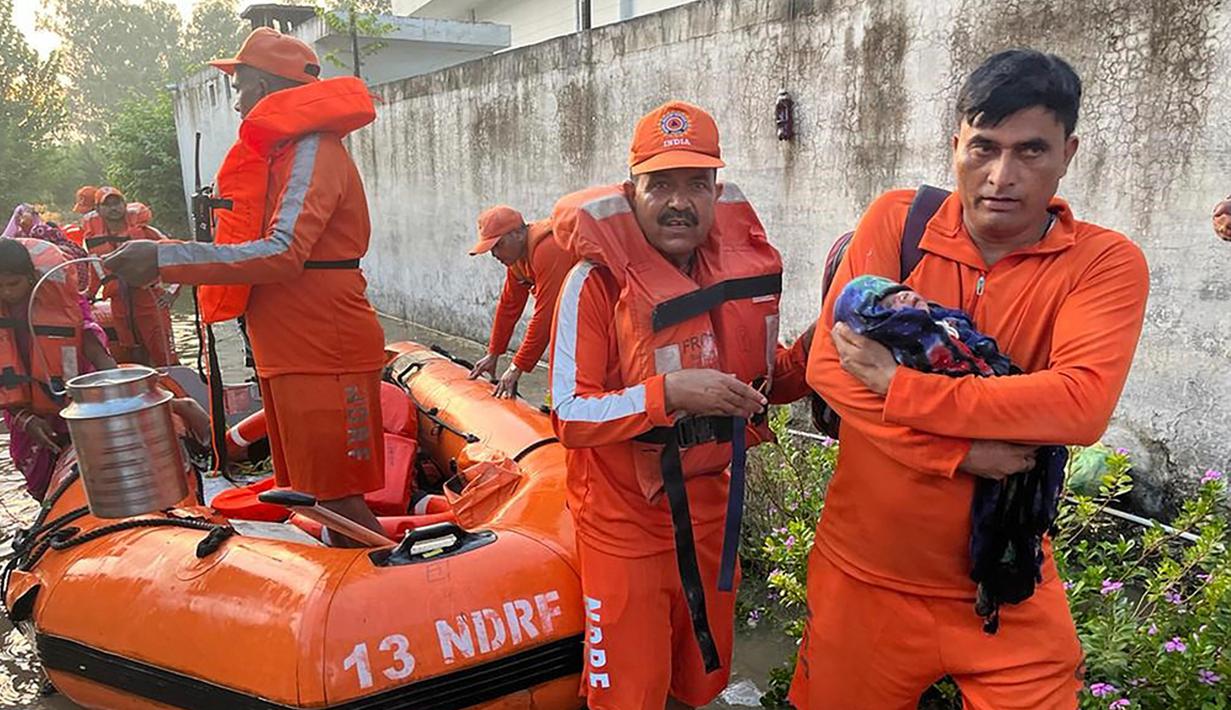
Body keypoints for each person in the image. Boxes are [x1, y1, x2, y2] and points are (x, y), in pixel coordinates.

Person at [789, 50, 1150, 710]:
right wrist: (957, 452)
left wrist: (898, 387)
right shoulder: (897, 224)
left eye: (1030, 150)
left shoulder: (1103, 263)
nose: (1000, 176)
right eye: (982, 147)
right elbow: (828, 371)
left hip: (1004, 585)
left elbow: (1077, 404)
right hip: (863, 581)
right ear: (955, 143)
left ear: (1067, 153)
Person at [549, 100, 811, 709]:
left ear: (716, 192)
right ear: (631, 189)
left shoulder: (734, 274)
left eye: (696, 183)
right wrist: (668, 395)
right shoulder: (594, 284)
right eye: (660, 183)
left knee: (702, 676)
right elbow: (566, 413)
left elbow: (764, 386)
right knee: (628, 691)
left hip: (711, 513)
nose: (678, 201)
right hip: (623, 523)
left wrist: (830, 345)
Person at [102, 27, 387, 547]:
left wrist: (165, 260)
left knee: (339, 501)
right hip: (291, 348)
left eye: (239, 86)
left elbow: (283, 251)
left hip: (325, 348)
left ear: (264, 86)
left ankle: (393, 606)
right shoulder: (284, 156)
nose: (235, 101)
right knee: (314, 494)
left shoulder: (314, 150)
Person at [0, 238, 115, 500]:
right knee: (38, 479)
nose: (6, 292)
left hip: (73, 398)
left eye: (12, 284)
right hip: (22, 410)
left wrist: (118, 389)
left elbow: (93, 347)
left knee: (95, 474)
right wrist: (24, 420)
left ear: (30, 277)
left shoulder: (63, 301)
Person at [467, 206, 576, 399]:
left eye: (498, 245)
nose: (494, 255)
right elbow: (509, 306)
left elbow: (546, 316)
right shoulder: (517, 259)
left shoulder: (548, 248)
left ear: (517, 234)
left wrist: (516, 368)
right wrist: (493, 353)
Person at [80, 187, 179, 366]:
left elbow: (177, 257)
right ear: (98, 209)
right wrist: (86, 297)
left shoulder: (146, 232)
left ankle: (176, 390)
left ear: (124, 205)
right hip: (119, 306)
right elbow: (96, 272)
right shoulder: (94, 240)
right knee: (134, 357)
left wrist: (172, 291)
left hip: (150, 302)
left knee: (164, 357)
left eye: (117, 203)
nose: (113, 208)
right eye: (107, 204)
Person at [4, 204, 93, 293]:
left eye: (24, 216)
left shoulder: (39, 230)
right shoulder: (22, 237)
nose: (22, 220)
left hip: (65, 277)